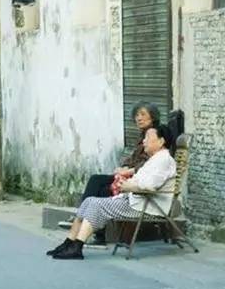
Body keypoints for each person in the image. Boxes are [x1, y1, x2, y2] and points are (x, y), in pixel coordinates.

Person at [48, 124, 177, 260]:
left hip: (145, 206)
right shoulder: (155, 159)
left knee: (97, 205)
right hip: (135, 201)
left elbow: (150, 186)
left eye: (148, 137)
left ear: (161, 141)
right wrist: (126, 184)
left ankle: (77, 247)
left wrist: (128, 186)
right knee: (89, 201)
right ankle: (68, 243)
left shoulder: (164, 160)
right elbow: (142, 181)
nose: (144, 141)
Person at [59, 102, 160, 251]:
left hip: (137, 181)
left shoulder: (156, 136)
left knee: (104, 191)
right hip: (130, 175)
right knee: (96, 179)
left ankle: (94, 231)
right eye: (137, 115)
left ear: (153, 117)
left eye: (143, 115)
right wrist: (124, 166)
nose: (139, 118)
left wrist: (128, 171)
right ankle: (81, 217)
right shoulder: (143, 136)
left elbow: (151, 163)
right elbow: (134, 158)